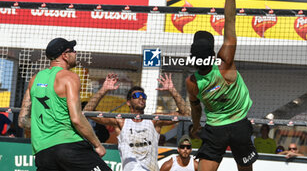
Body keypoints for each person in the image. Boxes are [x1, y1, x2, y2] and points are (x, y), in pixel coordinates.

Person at [186, 0, 258, 171]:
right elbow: (230, 19)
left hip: (215, 128)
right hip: (238, 124)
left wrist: (197, 126)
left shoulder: (192, 83)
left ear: (192, 56)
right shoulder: (225, 62)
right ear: (213, 52)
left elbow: (195, 108)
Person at [18, 38, 112, 171]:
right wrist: (97, 144)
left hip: (42, 152)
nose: (76, 53)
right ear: (65, 55)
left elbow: (22, 121)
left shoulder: (35, 79)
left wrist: (46, 126)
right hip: (69, 146)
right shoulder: (69, 77)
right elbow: (77, 119)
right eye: (73, 50)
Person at [84, 72, 189, 171]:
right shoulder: (121, 121)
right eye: (136, 96)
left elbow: (185, 114)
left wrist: (172, 90)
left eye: (143, 96)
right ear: (128, 102)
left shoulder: (154, 121)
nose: (141, 98)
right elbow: (87, 112)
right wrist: (104, 89)